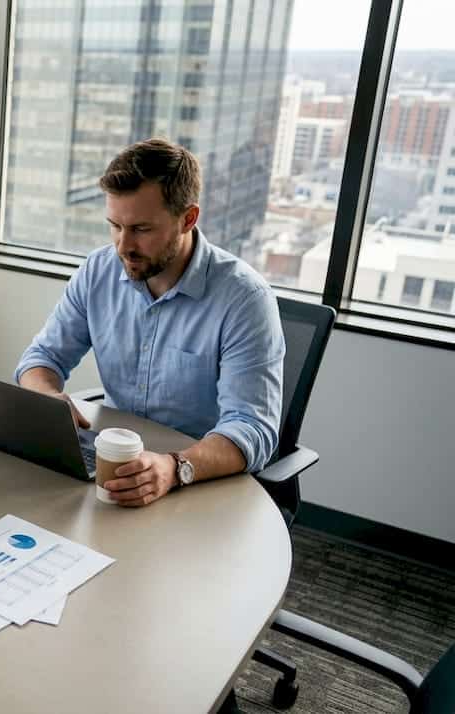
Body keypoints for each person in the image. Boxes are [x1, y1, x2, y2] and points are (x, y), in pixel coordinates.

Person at [15, 138, 284, 507]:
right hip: (116, 468)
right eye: (115, 226)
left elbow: (253, 429)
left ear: (188, 218)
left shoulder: (244, 299)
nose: (123, 246)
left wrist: (175, 468)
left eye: (141, 229)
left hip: (200, 479)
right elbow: (41, 358)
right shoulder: (99, 270)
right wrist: (46, 398)